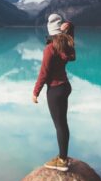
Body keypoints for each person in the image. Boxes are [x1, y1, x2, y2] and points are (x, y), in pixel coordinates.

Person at [33, 13, 76, 172]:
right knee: (63, 124)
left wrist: (35, 92)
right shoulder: (66, 46)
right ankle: (62, 156)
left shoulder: (50, 49)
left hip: (55, 90)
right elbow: (72, 55)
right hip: (65, 86)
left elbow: (44, 73)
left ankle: (63, 160)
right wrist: (69, 27)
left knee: (60, 126)